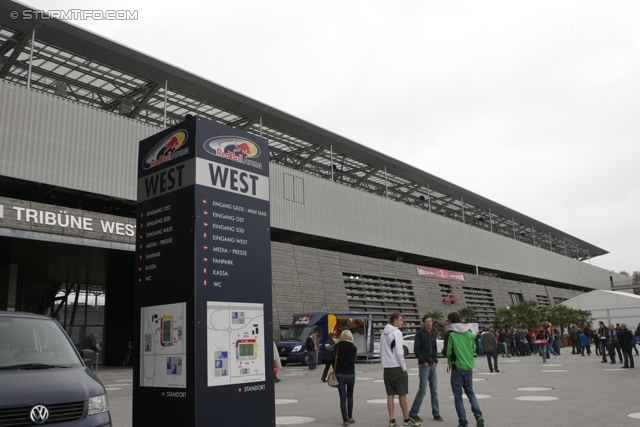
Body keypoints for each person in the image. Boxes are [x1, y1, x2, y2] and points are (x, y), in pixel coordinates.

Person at [443, 311, 484, 427]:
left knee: (458, 396)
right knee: (470, 392)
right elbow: (472, 349)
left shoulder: (450, 333)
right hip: (468, 366)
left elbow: (447, 352)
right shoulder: (469, 332)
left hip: (457, 367)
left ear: (450, 321)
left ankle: (463, 421)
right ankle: (478, 414)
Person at [380, 313, 420, 427]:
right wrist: (404, 368)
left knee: (390, 394)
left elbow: (381, 351)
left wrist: (384, 363)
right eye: (401, 320)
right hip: (397, 367)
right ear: (395, 321)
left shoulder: (383, 333)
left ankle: (391, 420)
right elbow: (399, 352)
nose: (402, 322)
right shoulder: (396, 332)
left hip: (387, 368)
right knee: (402, 394)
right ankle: (406, 419)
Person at [409, 315, 443, 423]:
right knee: (422, 390)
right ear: (424, 323)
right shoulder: (420, 333)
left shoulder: (433, 334)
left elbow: (434, 348)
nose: (429, 323)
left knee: (434, 390)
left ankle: (436, 413)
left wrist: (435, 360)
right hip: (424, 366)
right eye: (427, 321)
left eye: (431, 321)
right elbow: (417, 349)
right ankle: (413, 412)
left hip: (432, 365)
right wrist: (423, 361)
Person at [335, 330, 358, 426]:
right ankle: (350, 416)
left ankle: (345, 420)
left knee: (342, 398)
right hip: (350, 374)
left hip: (340, 374)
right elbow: (354, 360)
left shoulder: (337, 346)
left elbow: (332, 355)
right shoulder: (353, 348)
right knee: (350, 396)